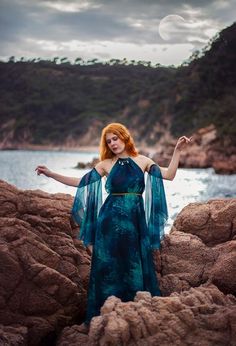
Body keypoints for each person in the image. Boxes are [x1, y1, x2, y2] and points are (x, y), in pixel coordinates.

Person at [35, 122, 192, 326]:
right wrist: (51, 174)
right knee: (108, 268)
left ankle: (135, 313)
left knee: (134, 264)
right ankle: (106, 315)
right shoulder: (106, 164)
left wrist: (177, 151)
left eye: (115, 138)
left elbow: (169, 175)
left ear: (124, 137)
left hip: (134, 223)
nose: (112, 143)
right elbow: (81, 182)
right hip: (109, 223)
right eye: (109, 141)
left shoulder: (143, 161)